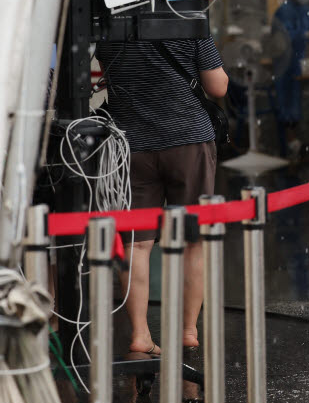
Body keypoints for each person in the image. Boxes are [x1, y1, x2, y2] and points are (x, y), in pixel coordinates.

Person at [95, 37, 229, 354]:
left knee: (135, 244)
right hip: (188, 140)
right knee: (193, 239)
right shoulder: (188, 21)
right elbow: (217, 86)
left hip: (130, 144)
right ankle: (187, 330)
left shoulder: (111, 27)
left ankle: (141, 334)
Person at [269, 0, 309, 156]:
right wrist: (305, 35)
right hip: (286, 63)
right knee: (287, 104)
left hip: (302, 63)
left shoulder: (307, 10)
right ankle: (288, 146)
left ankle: (298, 146)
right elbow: (283, 37)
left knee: (299, 104)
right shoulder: (284, 11)